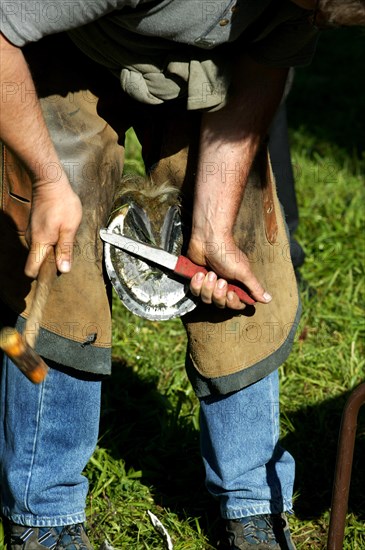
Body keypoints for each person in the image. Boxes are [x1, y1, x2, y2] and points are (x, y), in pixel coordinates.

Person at [0, 1, 364, 549]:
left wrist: (214, 227)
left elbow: (265, 61)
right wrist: (48, 180)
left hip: (205, 68)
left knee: (242, 251)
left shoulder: (305, 7)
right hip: (62, 48)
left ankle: (253, 503)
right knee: (56, 265)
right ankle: (43, 511)